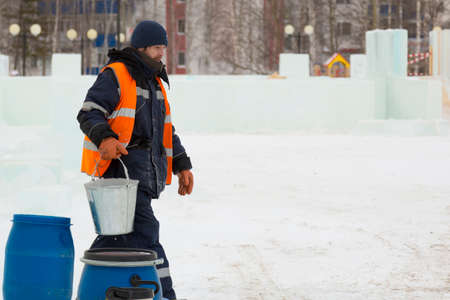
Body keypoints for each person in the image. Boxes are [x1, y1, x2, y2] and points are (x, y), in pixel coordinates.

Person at [77, 20, 194, 300]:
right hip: (121, 173)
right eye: (156, 47)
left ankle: (94, 290)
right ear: (141, 48)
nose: (161, 53)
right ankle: (164, 294)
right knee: (146, 232)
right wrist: (106, 139)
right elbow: (88, 112)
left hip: (144, 173)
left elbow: (165, 131)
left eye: (164, 48)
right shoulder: (116, 74)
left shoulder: (155, 84)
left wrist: (182, 164)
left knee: (115, 237)